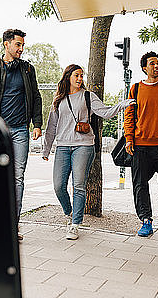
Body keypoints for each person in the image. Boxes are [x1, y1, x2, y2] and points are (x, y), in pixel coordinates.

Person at [42, 64, 134, 240]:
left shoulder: (88, 96)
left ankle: (75, 224)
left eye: (81, 75)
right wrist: (47, 149)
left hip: (83, 145)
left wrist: (122, 104)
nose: (79, 78)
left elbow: (105, 112)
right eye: (76, 75)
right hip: (62, 146)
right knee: (58, 186)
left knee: (78, 186)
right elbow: (51, 127)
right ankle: (69, 214)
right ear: (68, 77)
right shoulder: (58, 100)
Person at [0, 29, 42, 240]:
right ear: (6, 44)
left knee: (17, 177)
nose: (21, 49)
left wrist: (37, 124)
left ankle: (12, 226)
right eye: (17, 45)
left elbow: (36, 97)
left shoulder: (28, 70)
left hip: (21, 130)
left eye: (22, 45)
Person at [124, 52, 158, 237]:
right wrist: (129, 138)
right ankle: (146, 220)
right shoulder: (136, 89)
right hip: (140, 146)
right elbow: (129, 115)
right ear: (144, 68)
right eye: (152, 63)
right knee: (140, 184)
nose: (156, 66)